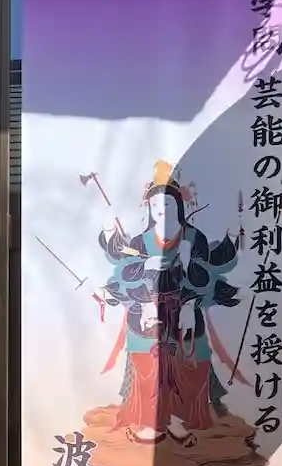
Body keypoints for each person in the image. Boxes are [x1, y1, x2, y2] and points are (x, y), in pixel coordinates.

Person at [98, 163, 240, 445]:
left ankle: (179, 421)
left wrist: (189, 297)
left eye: (167, 205)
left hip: (184, 311)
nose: (161, 211)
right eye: (155, 207)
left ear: (179, 207)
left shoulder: (194, 238)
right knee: (148, 361)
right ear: (149, 210)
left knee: (189, 362)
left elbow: (207, 275)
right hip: (148, 312)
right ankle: (152, 422)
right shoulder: (140, 241)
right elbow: (126, 273)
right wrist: (147, 271)